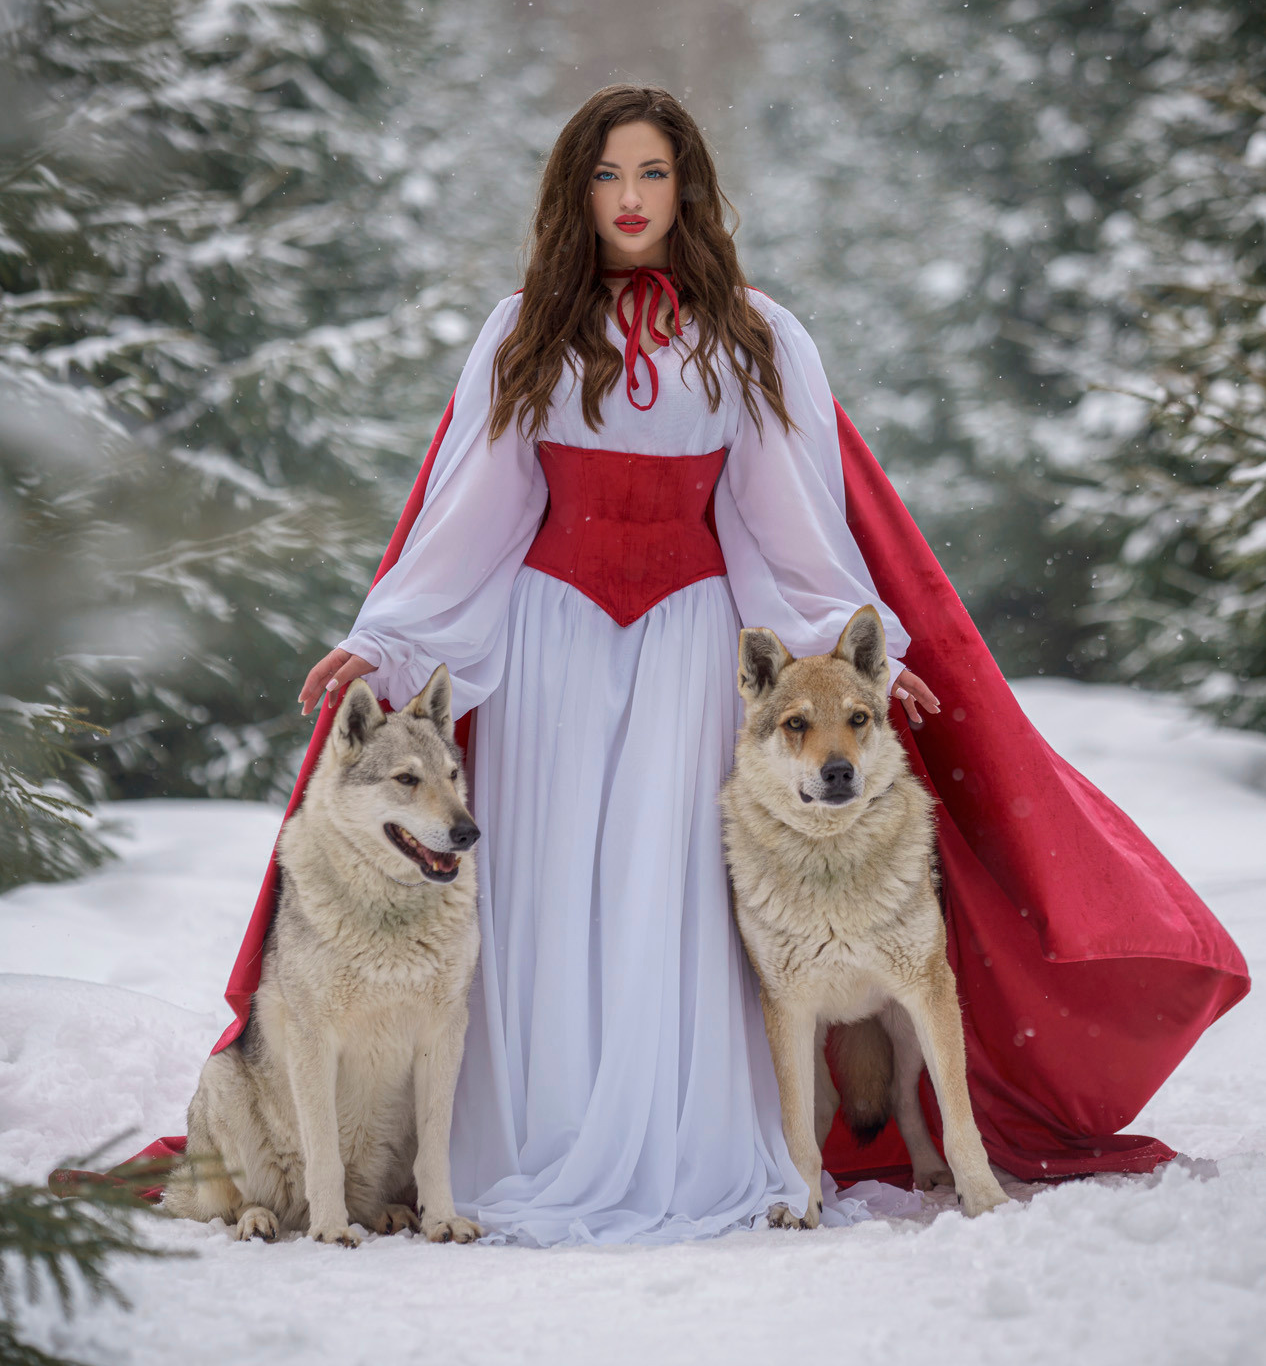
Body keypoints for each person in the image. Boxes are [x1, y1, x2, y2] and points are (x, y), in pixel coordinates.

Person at [297, 84, 934, 1243]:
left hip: (690, 644)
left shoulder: (755, 334)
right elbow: (475, 513)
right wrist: (384, 639)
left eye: (651, 173)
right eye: (606, 176)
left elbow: (788, 516)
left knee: (669, 895)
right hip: (549, 640)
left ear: (686, 183)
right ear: (573, 191)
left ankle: (682, 1151)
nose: (630, 200)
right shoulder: (524, 327)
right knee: (545, 891)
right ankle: (530, 1140)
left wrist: (858, 649)